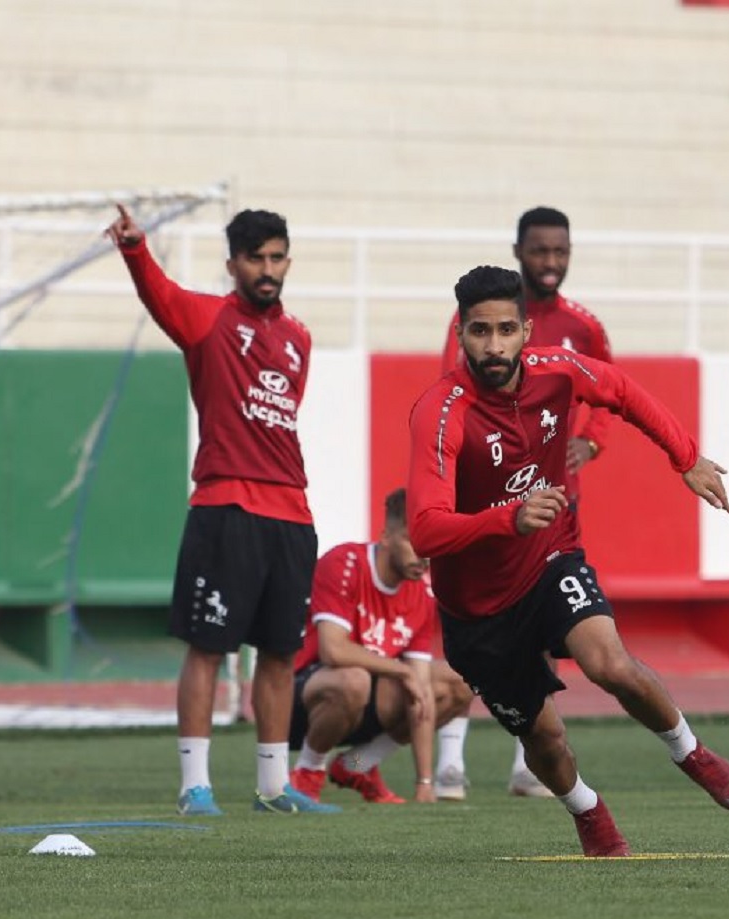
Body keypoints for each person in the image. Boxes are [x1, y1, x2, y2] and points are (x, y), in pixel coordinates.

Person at [406, 264, 729, 857]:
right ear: (460, 332)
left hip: (549, 561)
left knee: (609, 663)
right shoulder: (440, 413)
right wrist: (508, 518)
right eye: (479, 332)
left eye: (506, 330)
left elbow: (623, 392)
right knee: (546, 737)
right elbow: (424, 529)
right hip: (479, 610)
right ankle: (588, 812)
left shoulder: (558, 371)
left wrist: (685, 457)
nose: (494, 346)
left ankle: (690, 752)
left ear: (526, 330)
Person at [107, 203, 336, 815]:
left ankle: (273, 787)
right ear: (233, 262)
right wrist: (135, 249)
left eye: (277, 257)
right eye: (255, 258)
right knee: (209, 649)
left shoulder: (299, 339)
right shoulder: (207, 319)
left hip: (292, 515)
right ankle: (195, 786)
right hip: (226, 505)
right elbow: (159, 295)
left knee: (282, 653)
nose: (268, 269)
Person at [439, 206, 616, 798]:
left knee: (549, 623)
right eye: (540, 251)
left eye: (560, 252)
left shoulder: (581, 326)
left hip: (555, 509)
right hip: (486, 503)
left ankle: (526, 761)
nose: (551, 263)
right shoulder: (483, 320)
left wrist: (589, 441)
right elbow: (456, 393)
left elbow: (607, 389)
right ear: (518, 251)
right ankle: (451, 759)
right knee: (477, 622)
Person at [287, 488, 475, 805]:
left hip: (367, 703)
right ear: (386, 536)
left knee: (455, 683)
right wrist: (401, 670)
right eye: (414, 542)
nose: (424, 555)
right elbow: (333, 650)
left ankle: (358, 765)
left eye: (431, 544)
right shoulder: (345, 562)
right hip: (306, 698)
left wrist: (424, 783)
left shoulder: (422, 591)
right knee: (354, 680)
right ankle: (307, 771)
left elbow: (421, 693)